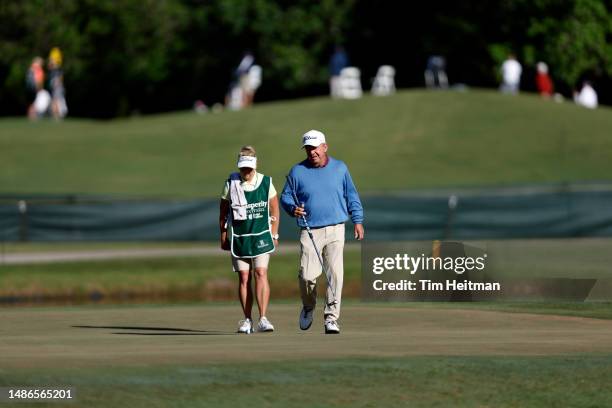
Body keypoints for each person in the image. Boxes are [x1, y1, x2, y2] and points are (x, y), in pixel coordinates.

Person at [281, 130, 364, 334]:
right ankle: (308, 306)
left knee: (335, 274)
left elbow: (351, 194)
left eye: (315, 147)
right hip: (310, 230)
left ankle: (331, 317)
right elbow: (286, 196)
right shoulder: (297, 171)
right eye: (308, 148)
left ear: (324, 147)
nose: (312, 152)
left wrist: (358, 220)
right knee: (307, 276)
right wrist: (293, 208)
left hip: (336, 228)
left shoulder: (340, 168)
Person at [219, 146, 279, 334]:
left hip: (261, 234)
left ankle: (263, 318)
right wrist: (223, 236)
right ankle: (247, 320)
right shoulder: (231, 183)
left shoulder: (266, 182)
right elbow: (223, 212)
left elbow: (274, 209)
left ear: (255, 165)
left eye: (249, 168)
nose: (246, 172)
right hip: (239, 236)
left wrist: (275, 233)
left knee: (260, 272)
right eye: (243, 168)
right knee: (244, 277)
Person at [48, 47, 68, 119]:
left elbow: (59, 78)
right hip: (55, 86)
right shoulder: (54, 68)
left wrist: (57, 83)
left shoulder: (58, 68)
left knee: (56, 100)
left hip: (57, 87)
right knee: (54, 100)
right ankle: (55, 114)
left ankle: (56, 114)